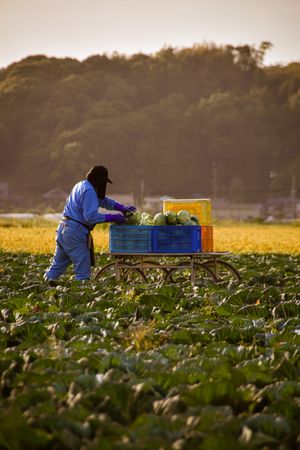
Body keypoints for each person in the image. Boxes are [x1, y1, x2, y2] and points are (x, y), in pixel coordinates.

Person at [44, 165, 136, 282]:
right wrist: (112, 217)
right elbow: (90, 217)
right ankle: (82, 297)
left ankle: (43, 288)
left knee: (56, 267)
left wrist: (120, 207)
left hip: (63, 229)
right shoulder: (89, 191)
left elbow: (102, 200)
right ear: (99, 180)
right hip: (75, 233)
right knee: (83, 272)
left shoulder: (81, 185)